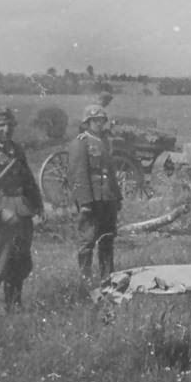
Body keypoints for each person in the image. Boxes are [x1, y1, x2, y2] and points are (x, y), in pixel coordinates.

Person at [69, 105, 122, 283]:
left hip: (107, 199)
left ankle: (108, 278)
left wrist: (117, 197)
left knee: (107, 239)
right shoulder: (80, 143)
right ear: (87, 122)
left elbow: (111, 172)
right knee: (88, 240)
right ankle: (86, 280)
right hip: (92, 200)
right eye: (95, 120)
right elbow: (79, 174)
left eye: (102, 120)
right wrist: (84, 202)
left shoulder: (105, 142)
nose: (99, 124)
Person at [0, 107, 43, 311]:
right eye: (1, 126)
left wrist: (38, 204)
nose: (7, 130)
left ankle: (13, 304)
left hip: (21, 209)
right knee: (2, 259)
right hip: (1, 212)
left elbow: (28, 180)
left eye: (10, 126)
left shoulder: (16, 149)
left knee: (21, 259)